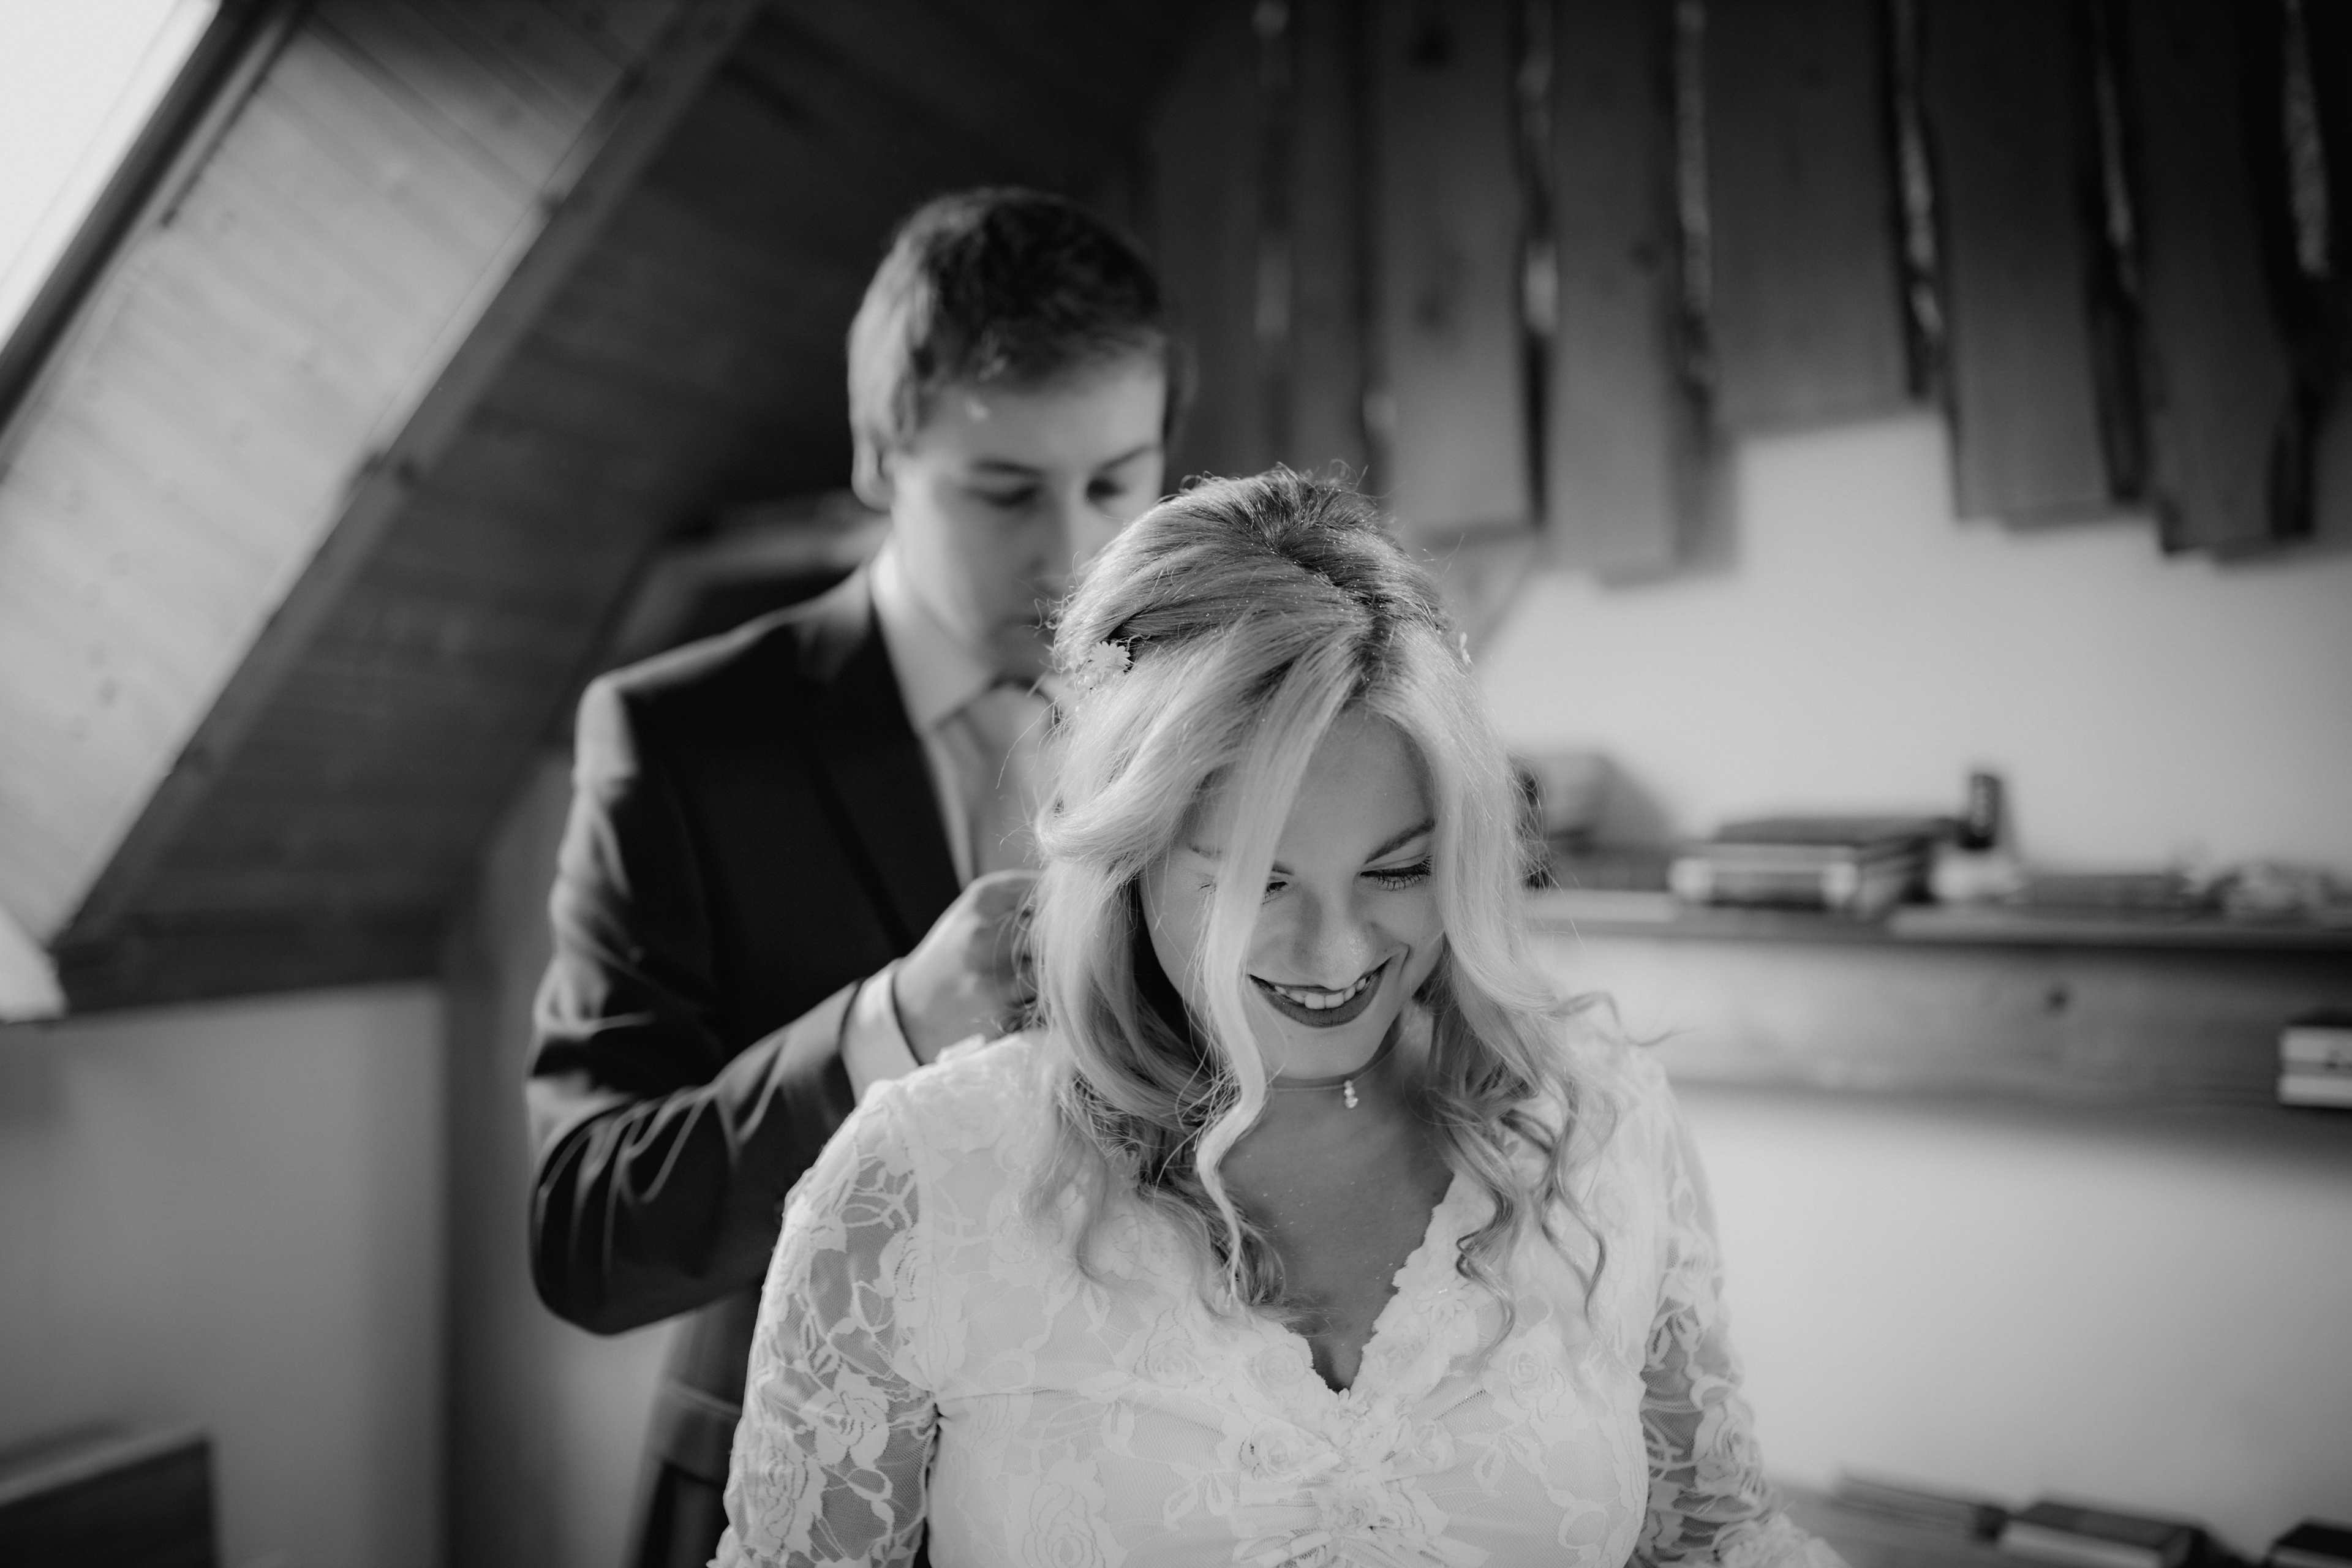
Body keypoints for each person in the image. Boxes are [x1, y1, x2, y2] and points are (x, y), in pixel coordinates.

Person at [714, 471, 1847, 1568]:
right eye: (1261, 882)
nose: (1340, 955)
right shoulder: (918, 1181)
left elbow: (1717, 1543)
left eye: (1399, 872)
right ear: (1130, 861)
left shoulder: (1597, 1120)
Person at [525, 189, 1176, 1568]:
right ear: (883, 457)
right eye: (1006, 492)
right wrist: (894, 1023)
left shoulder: (1207, 716)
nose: (1075, 554)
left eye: (1118, 482)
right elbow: (587, 1230)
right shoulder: (678, 742)